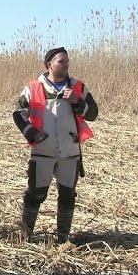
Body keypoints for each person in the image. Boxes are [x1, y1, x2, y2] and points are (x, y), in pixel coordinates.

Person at [13, 47, 98, 243]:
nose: (66, 64)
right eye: (61, 61)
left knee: (67, 197)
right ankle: (25, 236)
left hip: (70, 152)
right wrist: (32, 134)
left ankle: (62, 240)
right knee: (35, 194)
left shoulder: (78, 87)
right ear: (48, 65)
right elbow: (18, 114)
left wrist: (77, 101)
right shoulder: (33, 88)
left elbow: (93, 113)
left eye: (67, 61)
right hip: (42, 152)